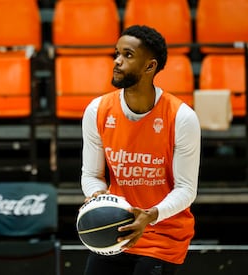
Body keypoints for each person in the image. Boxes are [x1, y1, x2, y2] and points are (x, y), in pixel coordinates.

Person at [80, 25, 201, 275]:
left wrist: (150, 215)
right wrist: (97, 197)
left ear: (150, 66)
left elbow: (186, 190)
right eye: (116, 53)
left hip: (162, 234)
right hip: (116, 228)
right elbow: (92, 175)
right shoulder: (97, 110)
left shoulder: (182, 117)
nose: (117, 61)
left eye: (128, 55)